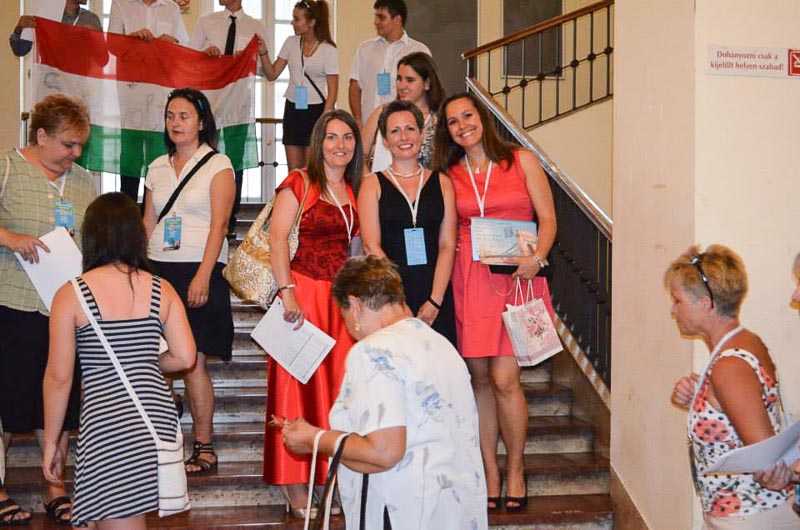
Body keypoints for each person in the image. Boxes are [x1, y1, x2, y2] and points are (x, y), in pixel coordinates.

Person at [279, 255, 488, 529]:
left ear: (355, 305)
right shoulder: (441, 344)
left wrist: (315, 439)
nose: (349, 328)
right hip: (456, 511)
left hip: (405, 510)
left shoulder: (373, 350)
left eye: (344, 316)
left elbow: (384, 452)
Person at [43, 192, 196, 529]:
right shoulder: (162, 289)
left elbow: (59, 377)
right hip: (155, 418)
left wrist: (52, 442)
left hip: (109, 423)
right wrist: (143, 362)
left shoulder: (71, 294)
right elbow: (185, 357)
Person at [435, 91, 557, 512]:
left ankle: (517, 468)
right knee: (480, 380)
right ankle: (489, 471)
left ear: (482, 118)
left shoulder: (521, 160)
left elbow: (548, 218)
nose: (462, 126)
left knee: (506, 379)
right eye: (453, 121)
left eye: (467, 115)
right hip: (470, 280)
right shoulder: (450, 174)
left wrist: (538, 258)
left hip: (517, 278)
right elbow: (448, 230)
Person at [0, 94, 97, 525]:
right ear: (40, 136)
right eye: (67, 144)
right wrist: (11, 238)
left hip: (64, 310)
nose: (75, 154)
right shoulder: (6, 168)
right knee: (7, 398)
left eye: (80, 146)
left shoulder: (84, 182)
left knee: (57, 400)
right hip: (12, 304)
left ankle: (54, 484)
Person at [264, 109, 362, 518]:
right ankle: (293, 481)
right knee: (294, 387)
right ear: (319, 142)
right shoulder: (299, 182)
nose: (340, 145)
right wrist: (287, 293)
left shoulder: (353, 188)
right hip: (301, 293)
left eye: (348, 137)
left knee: (335, 390)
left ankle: (327, 475)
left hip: (339, 302)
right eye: (332, 137)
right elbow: (277, 238)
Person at [667, 245, 799, 529]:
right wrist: (700, 398)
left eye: (677, 300)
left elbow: (766, 458)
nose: (673, 311)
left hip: (747, 517)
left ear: (705, 304)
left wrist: (779, 472)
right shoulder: (746, 342)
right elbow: (735, 419)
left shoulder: (729, 367)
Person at [143, 88, 236, 475]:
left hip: (200, 267)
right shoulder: (156, 167)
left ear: (201, 122)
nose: (175, 122)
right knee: (158, 359)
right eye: (170, 116)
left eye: (183, 116)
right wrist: (138, 273)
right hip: (159, 268)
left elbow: (220, 224)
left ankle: (204, 445)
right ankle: (163, 445)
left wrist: (203, 275)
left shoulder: (218, 164)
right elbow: (148, 222)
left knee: (193, 359)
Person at [358, 100, 457, 345]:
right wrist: (399, 302)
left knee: (438, 364)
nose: (404, 137)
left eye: (410, 129)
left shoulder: (443, 182)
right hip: (390, 295)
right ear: (385, 140)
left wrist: (435, 301)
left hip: (436, 293)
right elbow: (371, 246)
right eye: (395, 131)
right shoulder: (372, 185)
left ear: (421, 134)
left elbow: (447, 244)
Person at [189, 0, 272, 239]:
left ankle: (230, 220)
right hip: (210, 104)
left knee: (235, 164)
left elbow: (265, 71)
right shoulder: (206, 22)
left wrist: (247, 58)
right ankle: (205, 216)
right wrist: (206, 55)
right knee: (205, 159)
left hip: (239, 107)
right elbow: (190, 60)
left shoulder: (256, 27)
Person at [109, 0, 190, 205]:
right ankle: (127, 212)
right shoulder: (120, 4)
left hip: (161, 95)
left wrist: (171, 44)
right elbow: (112, 45)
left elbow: (185, 49)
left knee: (158, 157)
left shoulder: (171, 8)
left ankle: (152, 212)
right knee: (130, 155)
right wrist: (132, 40)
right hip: (131, 94)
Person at [262, 1, 338, 171]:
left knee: (312, 169)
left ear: (311, 22)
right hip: (293, 109)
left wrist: (324, 119)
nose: (292, 22)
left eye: (297, 19)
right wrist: (263, 53)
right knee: (294, 170)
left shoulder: (328, 50)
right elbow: (272, 74)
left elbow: (333, 92)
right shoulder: (291, 43)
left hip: (316, 112)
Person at [348, 0, 431, 130]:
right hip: (368, 126)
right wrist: (358, 119)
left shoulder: (418, 50)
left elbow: (426, 92)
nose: (376, 22)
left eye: (381, 17)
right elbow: (354, 86)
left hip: (402, 128)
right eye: (376, 17)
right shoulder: (365, 49)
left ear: (397, 19)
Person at [362, 51, 445, 173]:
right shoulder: (382, 113)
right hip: (380, 183)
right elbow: (360, 155)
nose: (401, 86)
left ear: (426, 83)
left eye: (410, 80)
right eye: (399, 79)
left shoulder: (439, 121)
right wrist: (369, 179)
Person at [9, 0, 102, 57]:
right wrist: (19, 28)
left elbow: (103, 61)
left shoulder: (91, 19)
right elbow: (20, 51)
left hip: (78, 81)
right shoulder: (44, 15)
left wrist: (94, 40)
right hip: (48, 80)